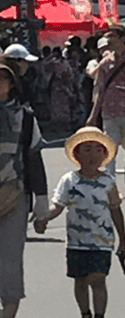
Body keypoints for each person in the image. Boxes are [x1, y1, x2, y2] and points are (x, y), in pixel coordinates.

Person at [34, 127, 125, 318]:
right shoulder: (69, 180)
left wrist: (123, 240)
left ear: (104, 155)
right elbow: (57, 206)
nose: (93, 154)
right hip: (77, 242)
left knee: (98, 279)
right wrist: (43, 218)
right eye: (87, 149)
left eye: (98, 150)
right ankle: (85, 313)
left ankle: (100, 315)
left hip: (102, 242)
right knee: (80, 280)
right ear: (77, 154)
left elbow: (115, 210)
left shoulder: (108, 181)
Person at [0, 57, 49, 318]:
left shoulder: (25, 117)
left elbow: (34, 160)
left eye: (2, 78)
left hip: (13, 196)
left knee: (9, 263)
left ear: (11, 83)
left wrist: (42, 205)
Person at [87, 25, 125, 197]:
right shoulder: (105, 63)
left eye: (112, 36)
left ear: (122, 38)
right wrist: (93, 115)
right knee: (109, 149)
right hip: (110, 111)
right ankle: (110, 184)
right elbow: (98, 89)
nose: (109, 40)